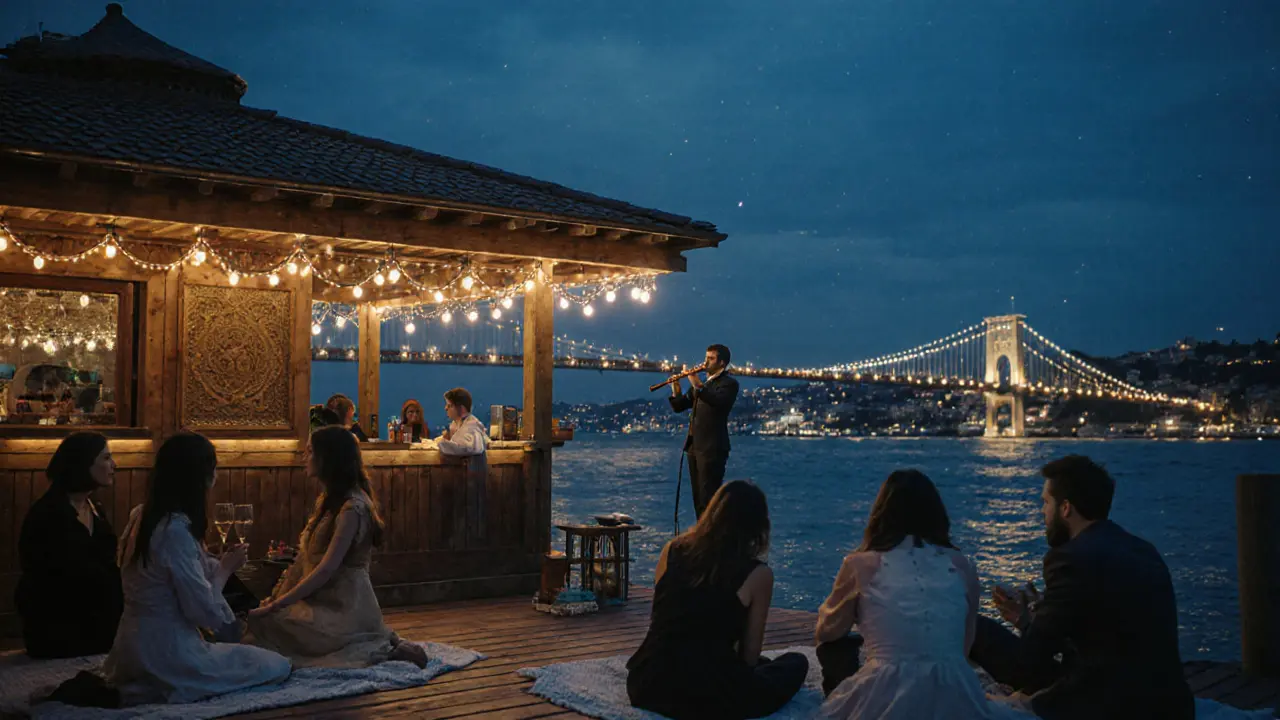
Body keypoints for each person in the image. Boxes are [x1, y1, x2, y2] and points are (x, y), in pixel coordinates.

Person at [968, 455, 1195, 719]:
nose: (1042, 512)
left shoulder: (1071, 558)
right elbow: (1105, 637)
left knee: (972, 625)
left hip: (1111, 706)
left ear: (1066, 508)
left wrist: (1027, 698)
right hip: (1169, 704)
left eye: (1046, 502)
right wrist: (1026, 618)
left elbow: (1032, 660)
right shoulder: (1143, 550)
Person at [814, 470, 1029, 719]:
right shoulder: (961, 566)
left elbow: (827, 631)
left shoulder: (861, 564)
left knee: (834, 645)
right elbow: (963, 646)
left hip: (885, 688)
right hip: (954, 686)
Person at [105, 432, 291, 705]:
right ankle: (157, 688)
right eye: (213, 468)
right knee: (276, 664)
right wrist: (225, 570)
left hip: (129, 647)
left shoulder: (141, 515)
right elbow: (203, 613)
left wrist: (211, 562)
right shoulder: (174, 530)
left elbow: (170, 573)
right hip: (169, 652)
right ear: (199, 476)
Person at [246, 425, 427, 668]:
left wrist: (281, 604)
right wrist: (276, 597)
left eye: (310, 452)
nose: (305, 457)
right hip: (321, 599)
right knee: (261, 621)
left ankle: (383, 647)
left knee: (271, 623)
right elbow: (304, 560)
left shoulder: (353, 508)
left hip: (344, 608)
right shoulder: (330, 500)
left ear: (328, 458)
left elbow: (326, 568)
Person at [627, 480, 808, 720]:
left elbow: (662, 619)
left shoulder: (672, 550)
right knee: (795, 663)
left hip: (647, 684)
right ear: (758, 526)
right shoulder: (757, 574)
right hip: (706, 695)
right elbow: (749, 657)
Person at [15, 432, 124, 658]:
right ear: (83, 463)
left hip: (92, 616)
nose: (114, 464)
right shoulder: (49, 515)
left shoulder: (93, 508)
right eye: (105, 458)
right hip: (59, 625)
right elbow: (58, 581)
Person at [667, 344, 740, 518]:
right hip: (695, 447)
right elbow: (679, 406)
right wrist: (676, 390)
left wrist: (698, 385)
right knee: (698, 499)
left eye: (711, 358)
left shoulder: (728, 384)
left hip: (712, 447)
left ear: (722, 363)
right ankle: (702, 537)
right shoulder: (704, 384)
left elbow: (717, 402)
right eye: (705, 357)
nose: (705, 362)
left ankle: (713, 539)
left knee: (709, 499)